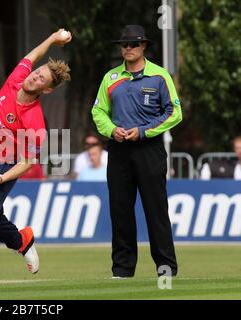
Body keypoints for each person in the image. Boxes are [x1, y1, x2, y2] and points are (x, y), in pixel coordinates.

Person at [0, 29, 72, 282]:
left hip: (2, 167)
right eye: (37, 73)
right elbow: (34, 54)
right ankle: (22, 241)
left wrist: (3, 178)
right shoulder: (17, 78)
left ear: (47, 90)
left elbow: (28, 162)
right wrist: (52, 38)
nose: (35, 77)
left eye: (42, 80)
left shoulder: (35, 120)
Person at [92, 25, 182, 278]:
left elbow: (174, 113)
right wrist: (112, 130)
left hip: (149, 149)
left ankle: (166, 268)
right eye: (124, 45)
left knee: (156, 210)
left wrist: (143, 131)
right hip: (119, 150)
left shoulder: (159, 75)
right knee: (120, 210)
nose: (128, 48)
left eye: (134, 44)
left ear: (143, 46)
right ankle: (122, 270)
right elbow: (98, 112)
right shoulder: (110, 78)